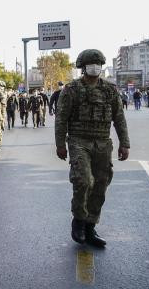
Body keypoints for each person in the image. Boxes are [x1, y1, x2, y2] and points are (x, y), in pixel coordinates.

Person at [55, 49, 130, 247]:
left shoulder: (110, 90)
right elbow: (61, 119)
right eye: (91, 63)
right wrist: (60, 144)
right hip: (79, 141)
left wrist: (125, 143)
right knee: (84, 180)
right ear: (83, 67)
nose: (95, 66)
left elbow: (119, 118)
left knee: (101, 184)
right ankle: (78, 221)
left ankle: (90, 226)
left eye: (98, 63)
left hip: (103, 143)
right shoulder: (71, 89)